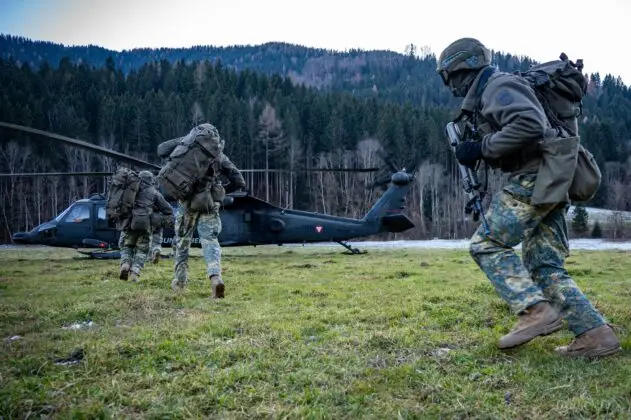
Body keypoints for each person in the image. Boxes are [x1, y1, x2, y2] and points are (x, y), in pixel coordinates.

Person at [436, 38, 620, 358]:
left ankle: (534, 312)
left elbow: (529, 124)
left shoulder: (497, 86)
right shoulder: (496, 88)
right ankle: (596, 335)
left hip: (537, 178)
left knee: (486, 244)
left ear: (461, 68)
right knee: (544, 263)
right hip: (551, 178)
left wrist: (482, 147)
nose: (449, 85)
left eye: (448, 76)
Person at [158, 124, 246, 298]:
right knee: (210, 240)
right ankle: (215, 277)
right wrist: (222, 191)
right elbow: (239, 181)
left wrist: (186, 139)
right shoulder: (219, 156)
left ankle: (179, 282)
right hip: (208, 203)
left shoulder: (185, 146)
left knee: (182, 241)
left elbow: (161, 149)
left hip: (186, 203)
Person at [119, 170, 173, 282]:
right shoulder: (154, 193)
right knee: (142, 250)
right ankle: (135, 272)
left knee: (127, 246)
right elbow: (168, 210)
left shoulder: (130, 190)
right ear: (150, 180)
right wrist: (156, 217)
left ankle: (125, 265)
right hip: (145, 225)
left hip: (129, 225)